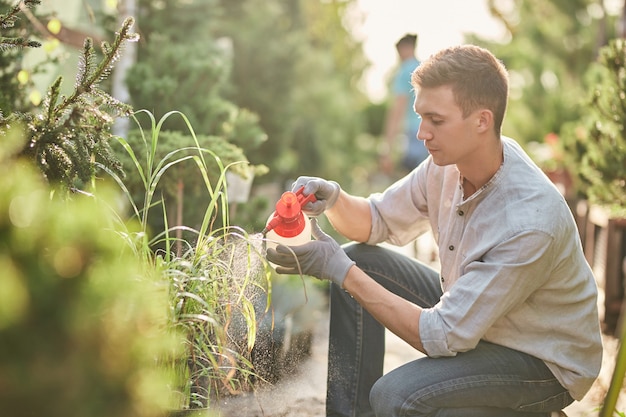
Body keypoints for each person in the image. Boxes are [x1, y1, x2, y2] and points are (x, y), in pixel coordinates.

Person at [267, 44, 603, 417]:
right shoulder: (447, 164)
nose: (421, 133)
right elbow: (376, 220)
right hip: (480, 319)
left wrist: (338, 271)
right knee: (361, 260)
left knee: (396, 396)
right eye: (420, 117)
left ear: (481, 120)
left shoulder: (529, 222)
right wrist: (334, 199)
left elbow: (441, 336)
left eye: (436, 120)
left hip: (539, 361)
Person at [380, 33, 429, 175]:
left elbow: (397, 110)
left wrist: (387, 148)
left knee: (415, 187)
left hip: (415, 135)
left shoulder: (404, 72)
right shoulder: (425, 69)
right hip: (431, 131)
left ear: (403, 49)